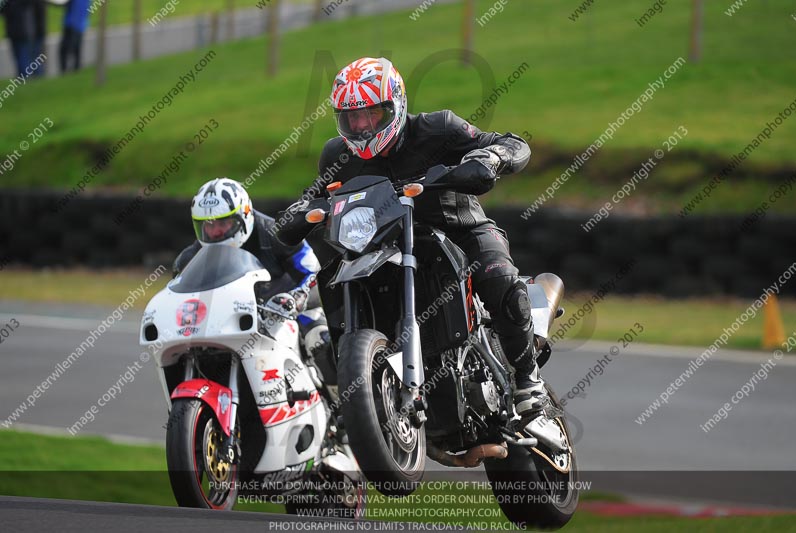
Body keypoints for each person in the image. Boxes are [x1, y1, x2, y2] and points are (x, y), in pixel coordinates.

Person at [289, 57, 552, 422]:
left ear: (394, 105)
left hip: (459, 231)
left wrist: (490, 157)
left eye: (373, 114)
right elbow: (312, 197)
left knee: (498, 276)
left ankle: (528, 380)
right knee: (334, 269)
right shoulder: (337, 155)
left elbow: (512, 143)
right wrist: (295, 216)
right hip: (379, 245)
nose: (362, 125)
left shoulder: (438, 129)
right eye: (353, 117)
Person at [173, 177, 336, 388]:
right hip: (234, 317)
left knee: (319, 339)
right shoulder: (190, 258)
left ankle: (340, 404)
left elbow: (312, 272)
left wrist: (297, 299)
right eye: (207, 225)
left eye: (223, 223)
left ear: (244, 216)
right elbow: (179, 293)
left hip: (285, 309)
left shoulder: (277, 233)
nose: (214, 232)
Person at [1, 0, 46, 78]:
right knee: (27, 58)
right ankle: (33, 80)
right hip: (26, 32)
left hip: (23, 32)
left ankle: (27, 79)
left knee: (24, 59)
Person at [59, 0, 90, 73]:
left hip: (72, 24)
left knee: (67, 49)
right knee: (76, 49)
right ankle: (75, 70)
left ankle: (66, 71)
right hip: (79, 24)